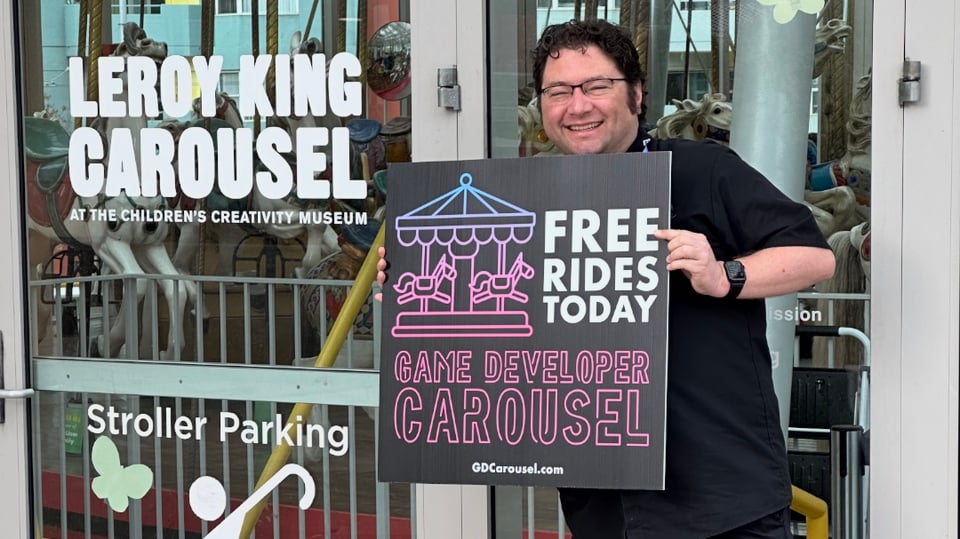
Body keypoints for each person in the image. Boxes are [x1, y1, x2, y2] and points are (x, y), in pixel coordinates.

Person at [377, 19, 835, 539]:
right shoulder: (530, 196)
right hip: (600, 504)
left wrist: (723, 274)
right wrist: (414, 281)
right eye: (559, 91)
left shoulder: (702, 169)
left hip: (721, 499)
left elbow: (815, 257)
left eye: (596, 86)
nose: (578, 105)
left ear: (636, 95)